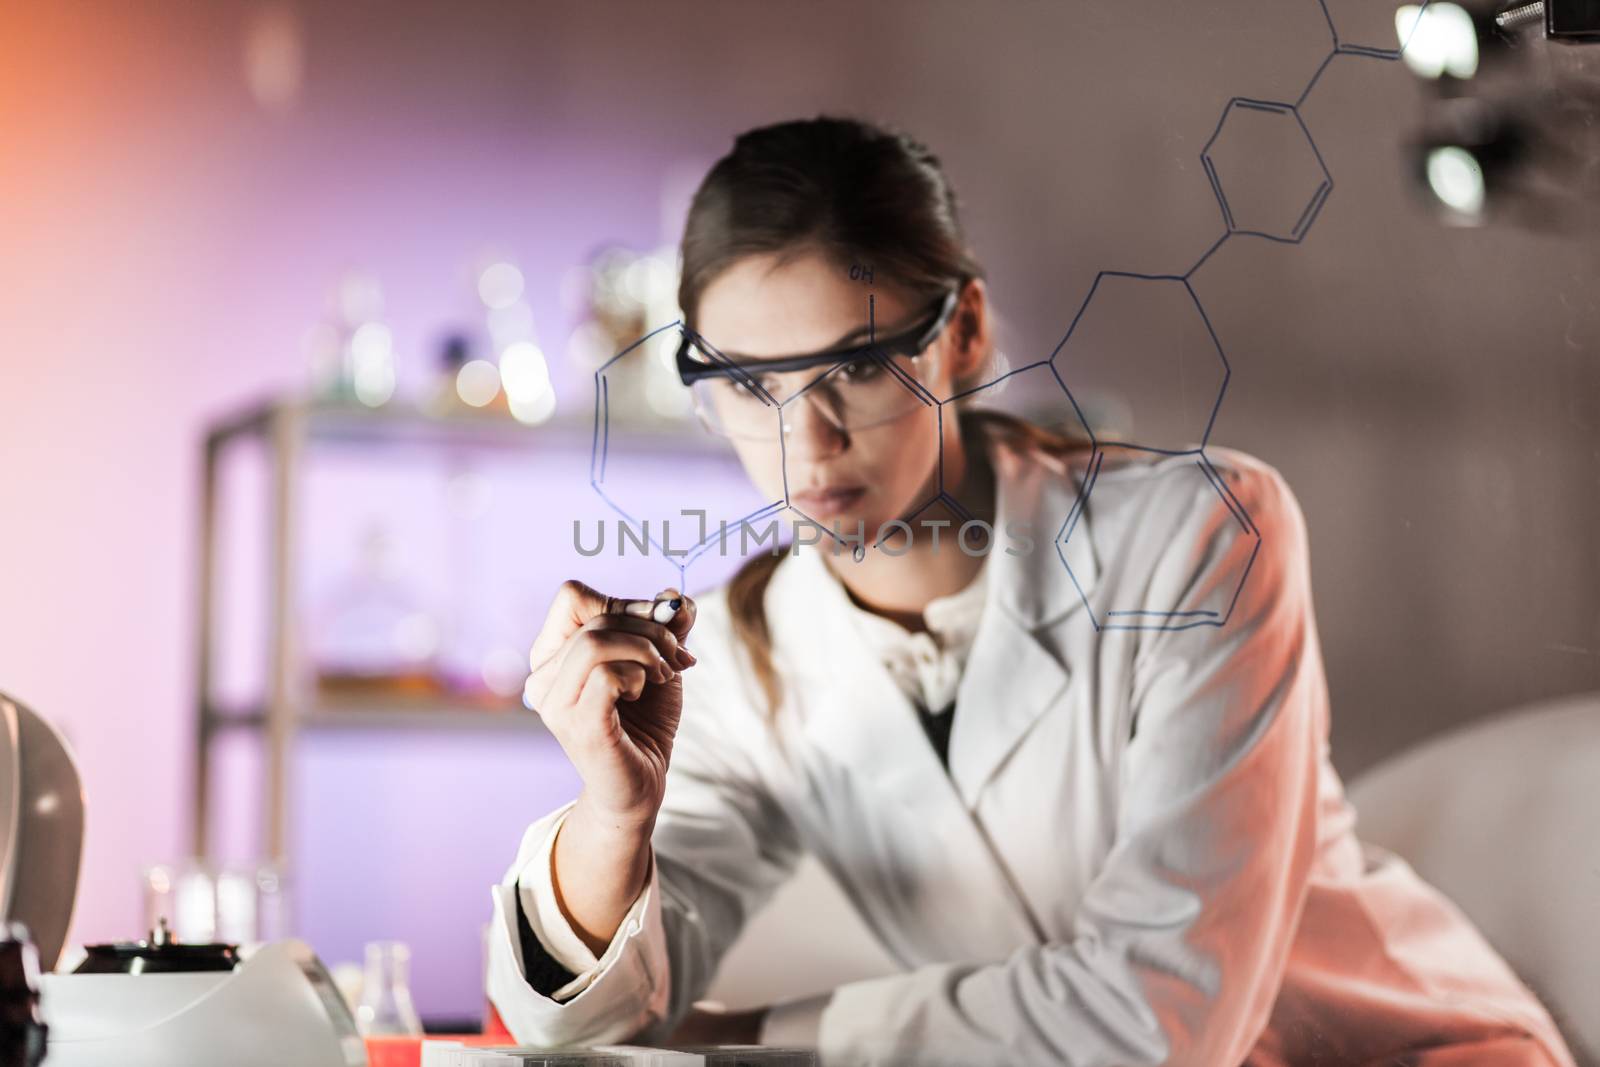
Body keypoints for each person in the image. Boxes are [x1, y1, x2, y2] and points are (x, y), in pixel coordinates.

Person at [484, 116, 1577, 1067]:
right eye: (748, 385)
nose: (801, 441)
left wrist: (766, 1038)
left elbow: (1160, 1020)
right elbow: (584, 1022)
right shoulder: (747, 643)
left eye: (855, 368)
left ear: (962, 332)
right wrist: (613, 813)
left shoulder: (1197, 537)